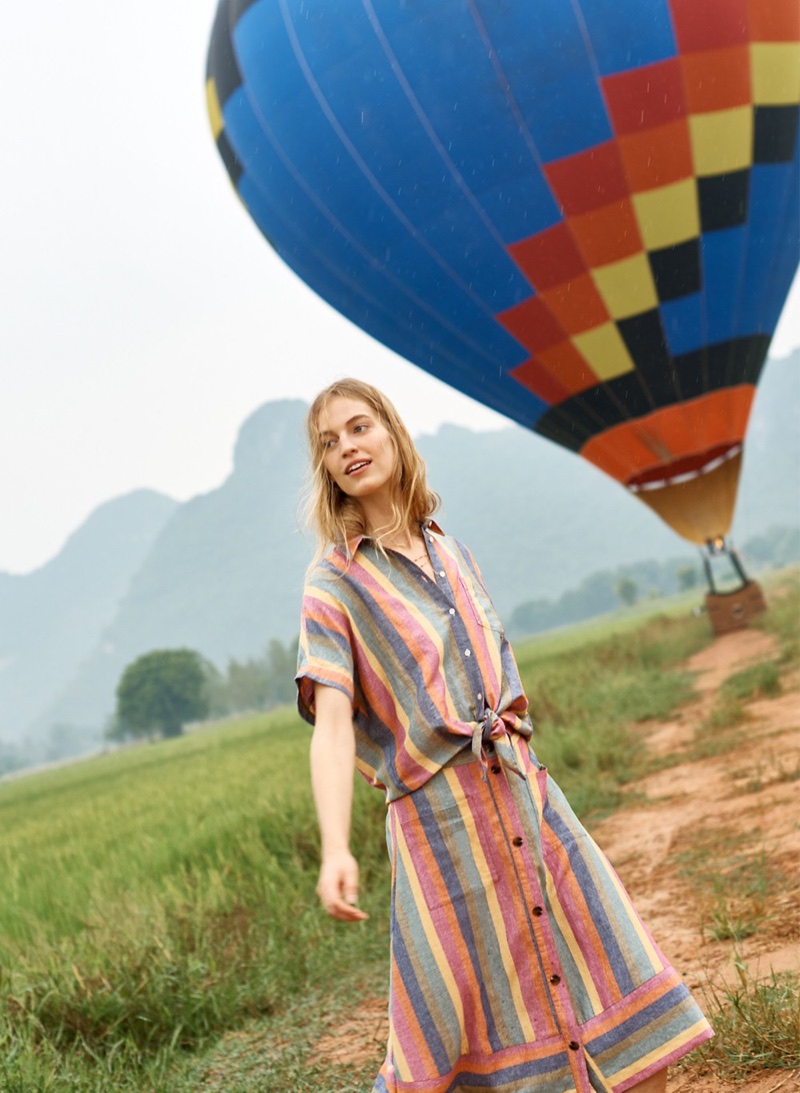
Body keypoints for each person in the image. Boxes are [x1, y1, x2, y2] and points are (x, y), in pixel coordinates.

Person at [296, 378, 712, 1093]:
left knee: (613, 976)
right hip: (442, 834)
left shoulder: (453, 552)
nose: (346, 448)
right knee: (474, 1028)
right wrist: (335, 846)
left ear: (392, 432)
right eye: (329, 443)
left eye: (359, 427)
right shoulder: (333, 582)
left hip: (525, 797)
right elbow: (332, 727)